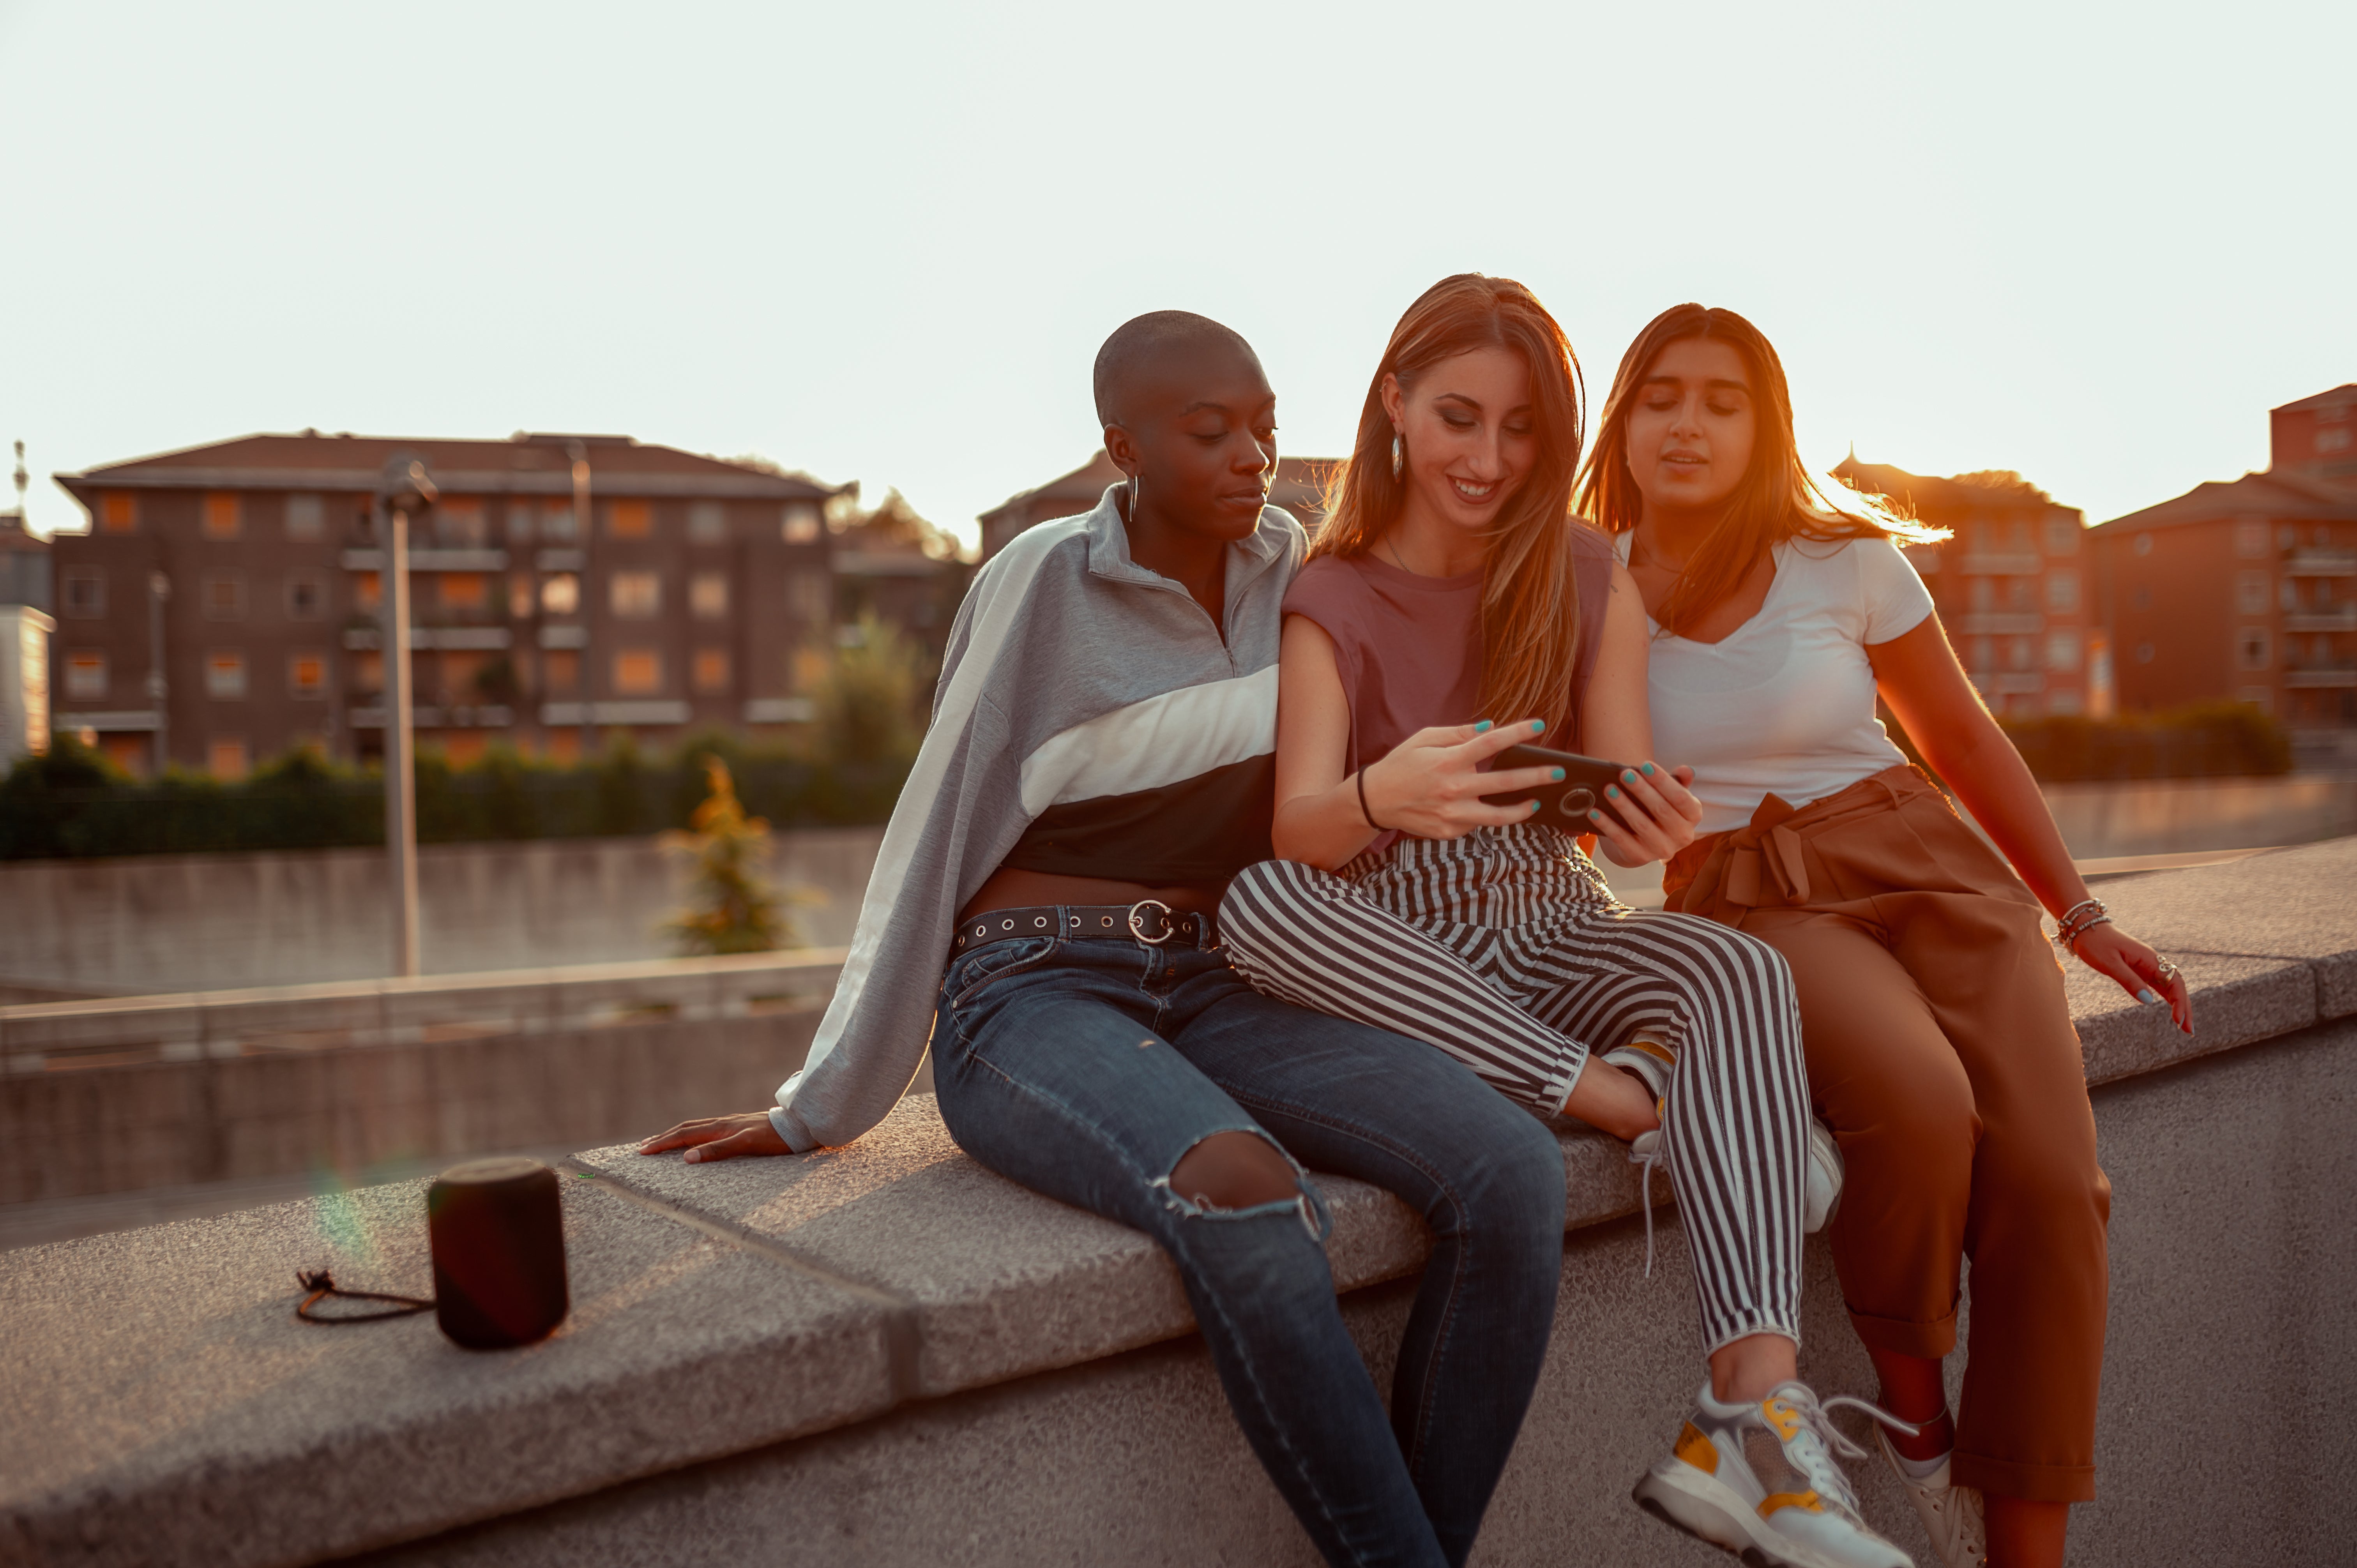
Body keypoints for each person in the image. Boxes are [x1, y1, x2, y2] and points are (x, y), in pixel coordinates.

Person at [638, 311, 1572, 1568]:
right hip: (1036, 991)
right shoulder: (1039, 581)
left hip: (1229, 977)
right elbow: (934, 830)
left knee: (1512, 1172)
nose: (1252, 456)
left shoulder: (1296, 575)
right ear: (1122, 446)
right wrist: (822, 1103)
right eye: (1211, 433)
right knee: (1244, 1197)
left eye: (1265, 427)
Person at [1218, 274, 1914, 1568]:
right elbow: (1298, 831)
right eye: (1461, 419)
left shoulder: (1590, 571)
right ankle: (1625, 1101)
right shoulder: (1334, 593)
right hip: (1394, 937)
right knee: (1260, 907)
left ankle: (1750, 1418)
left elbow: (1622, 807)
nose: (1491, 459)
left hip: (1550, 913)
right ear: (1394, 407)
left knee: (1738, 971)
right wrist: (1385, 792)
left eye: (1525, 428)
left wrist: (1646, 820)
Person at [1576, 303, 2196, 1568]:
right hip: (1751, 895)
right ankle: (1911, 1408)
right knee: (1917, 1099)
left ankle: (2026, 1542)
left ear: (1767, 427)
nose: (1688, 424)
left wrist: (2082, 915)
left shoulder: (1846, 559)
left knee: (2054, 1189)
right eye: (1662, 397)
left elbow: (1961, 740)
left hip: (1927, 865)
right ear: (1624, 421)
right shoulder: (1589, 583)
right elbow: (1618, 832)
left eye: (1722, 400)